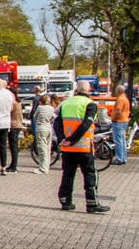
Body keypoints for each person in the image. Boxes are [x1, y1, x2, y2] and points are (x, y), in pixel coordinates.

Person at [53, 80, 109, 213]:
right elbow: (86, 125)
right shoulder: (90, 104)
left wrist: (63, 139)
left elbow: (56, 122)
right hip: (83, 147)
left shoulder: (65, 103)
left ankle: (65, 201)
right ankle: (92, 203)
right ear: (88, 90)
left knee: (68, 174)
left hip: (67, 148)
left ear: (76, 90)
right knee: (90, 173)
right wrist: (73, 140)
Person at [31, 94, 56, 174]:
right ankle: (47, 166)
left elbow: (35, 116)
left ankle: (43, 168)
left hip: (41, 128)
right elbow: (53, 117)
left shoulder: (40, 108)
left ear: (40, 101)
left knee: (42, 149)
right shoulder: (52, 108)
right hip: (49, 128)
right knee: (48, 148)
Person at [110, 85, 131, 165]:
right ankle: (123, 158)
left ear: (118, 91)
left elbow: (118, 111)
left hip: (119, 121)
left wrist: (114, 119)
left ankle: (119, 159)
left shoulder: (120, 99)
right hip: (124, 120)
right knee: (122, 141)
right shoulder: (125, 99)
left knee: (118, 141)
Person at [6, 86, 22, 173]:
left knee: (13, 147)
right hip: (17, 125)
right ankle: (13, 164)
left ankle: (14, 165)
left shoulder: (14, 104)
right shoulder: (19, 103)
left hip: (13, 126)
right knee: (13, 146)